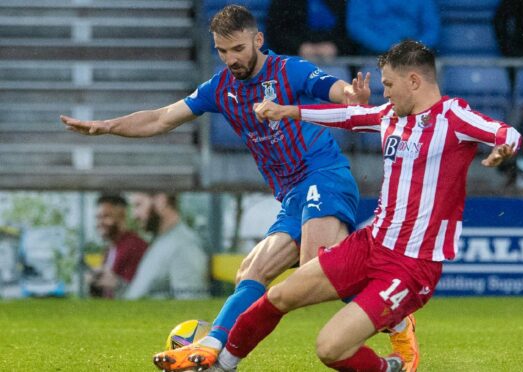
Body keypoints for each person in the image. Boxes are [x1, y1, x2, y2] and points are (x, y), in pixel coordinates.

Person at [61, 4, 417, 367]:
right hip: (292, 193)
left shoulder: (287, 70)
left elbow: (332, 88)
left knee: (315, 266)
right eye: (222, 50)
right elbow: (160, 118)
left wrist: (351, 98)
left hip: (323, 173)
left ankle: (397, 314)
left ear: (257, 40)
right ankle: (213, 349)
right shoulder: (220, 88)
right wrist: (107, 126)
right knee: (251, 271)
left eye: (238, 49)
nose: (231, 58)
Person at [153, 40, 521, 372]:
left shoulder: (453, 117)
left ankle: (387, 367)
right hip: (371, 244)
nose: (385, 94)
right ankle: (223, 364)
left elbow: (506, 133)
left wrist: (504, 148)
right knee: (278, 295)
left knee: (330, 348)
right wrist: (289, 112)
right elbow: (350, 116)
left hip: (411, 266)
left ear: (413, 81)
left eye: (389, 85)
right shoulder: (391, 116)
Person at [123, 192, 208, 299]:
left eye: (138, 205)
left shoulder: (183, 245)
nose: (134, 215)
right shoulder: (162, 241)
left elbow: (192, 305)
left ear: (161, 200)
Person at [87, 194, 148, 298]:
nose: (100, 223)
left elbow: (140, 293)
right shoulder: (110, 249)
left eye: (106, 216)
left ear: (122, 216)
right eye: (98, 217)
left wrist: (115, 283)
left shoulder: (135, 246)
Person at [266, 0, 356, 59]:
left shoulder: (342, 3)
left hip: (335, 61)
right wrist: (299, 47)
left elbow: (353, 31)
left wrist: (336, 47)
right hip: (292, 59)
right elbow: (275, 31)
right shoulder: (284, 3)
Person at [346, 0, 441, 54]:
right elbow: (357, 27)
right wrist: (387, 46)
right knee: (375, 81)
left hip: (415, 55)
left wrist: (415, 46)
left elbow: (432, 29)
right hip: (375, 56)